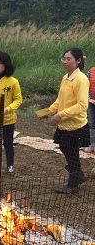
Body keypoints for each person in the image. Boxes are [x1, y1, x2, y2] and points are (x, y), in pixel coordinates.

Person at [39, 48, 89, 193]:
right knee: (65, 148)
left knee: (71, 151)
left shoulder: (81, 79)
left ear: (78, 61)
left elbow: (82, 105)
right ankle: (77, 174)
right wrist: (49, 111)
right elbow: (61, 100)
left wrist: (61, 115)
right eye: (64, 58)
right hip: (65, 123)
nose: (65, 62)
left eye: (69, 59)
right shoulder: (66, 77)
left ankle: (73, 183)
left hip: (76, 124)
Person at [86, 64, 95, 153]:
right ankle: (92, 145)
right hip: (91, 102)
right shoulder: (91, 71)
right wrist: (89, 99)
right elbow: (85, 86)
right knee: (91, 123)